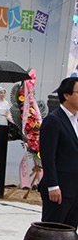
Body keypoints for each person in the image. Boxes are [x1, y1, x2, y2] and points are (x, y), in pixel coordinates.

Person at [39, 77, 78, 228]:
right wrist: (53, 185)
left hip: (75, 190)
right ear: (67, 95)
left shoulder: (76, 121)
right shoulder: (53, 121)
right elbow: (48, 157)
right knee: (52, 232)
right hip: (59, 191)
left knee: (69, 235)